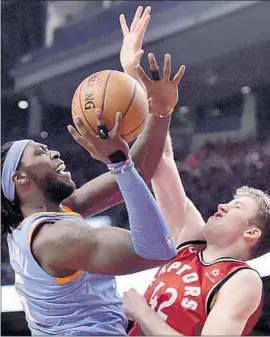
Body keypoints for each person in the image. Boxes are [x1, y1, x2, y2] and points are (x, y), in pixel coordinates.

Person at [1, 7, 186, 336]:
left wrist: (159, 111)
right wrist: (117, 162)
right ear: (20, 178)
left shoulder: (49, 217)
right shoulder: (56, 239)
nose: (54, 151)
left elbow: (140, 172)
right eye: (40, 153)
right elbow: (158, 251)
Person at [125, 133, 269, 336]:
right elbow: (161, 160)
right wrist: (155, 110)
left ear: (252, 232)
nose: (223, 206)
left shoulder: (243, 279)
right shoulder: (191, 241)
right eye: (228, 202)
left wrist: (142, 312)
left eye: (236, 206)